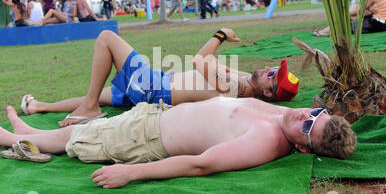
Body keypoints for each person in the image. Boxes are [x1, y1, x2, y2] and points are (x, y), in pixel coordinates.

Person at [0, 96, 357, 188]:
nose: (303, 116)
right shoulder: (279, 114)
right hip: (154, 116)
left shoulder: (266, 141)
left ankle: (7, 138)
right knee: (72, 133)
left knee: (75, 137)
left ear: (304, 147)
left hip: (149, 139)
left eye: (309, 127)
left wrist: (132, 173)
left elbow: (201, 164)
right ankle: (24, 134)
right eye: (314, 113)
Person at [20, 28, 300, 127]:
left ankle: (90, 110)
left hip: (154, 89)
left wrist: (220, 35)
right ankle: (39, 106)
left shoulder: (237, 88)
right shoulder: (245, 83)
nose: (269, 69)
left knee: (106, 38)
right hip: (157, 86)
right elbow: (212, 66)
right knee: (102, 94)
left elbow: (200, 60)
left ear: (266, 92)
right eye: (274, 68)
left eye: (272, 76)